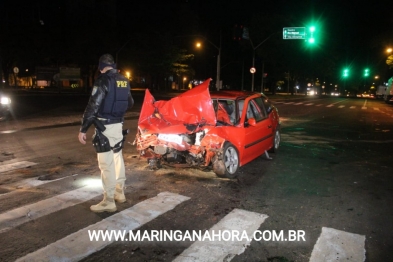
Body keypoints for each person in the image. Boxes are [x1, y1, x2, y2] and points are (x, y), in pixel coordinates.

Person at [78, 54, 134, 213]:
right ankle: (119, 192)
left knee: (106, 164)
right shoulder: (124, 80)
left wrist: (83, 129)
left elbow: (93, 106)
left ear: (101, 67)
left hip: (105, 127)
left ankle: (108, 201)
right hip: (118, 125)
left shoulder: (103, 80)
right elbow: (130, 103)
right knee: (117, 158)